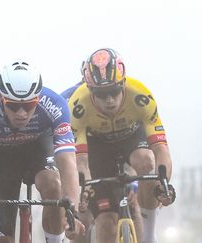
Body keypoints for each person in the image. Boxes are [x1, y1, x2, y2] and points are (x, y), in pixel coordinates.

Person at [0, 60, 84, 243]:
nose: (21, 113)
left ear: (38, 99)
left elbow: (67, 163)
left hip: (37, 150)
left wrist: (74, 214)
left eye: (29, 105)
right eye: (13, 105)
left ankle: (56, 240)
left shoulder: (55, 105)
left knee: (52, 184)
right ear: (1, 98)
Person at [68, 48, 175, 243]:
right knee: (107, 221)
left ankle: (148, 236)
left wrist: (164, 185)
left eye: (114, 91)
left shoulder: (141, 95)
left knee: (146, 161)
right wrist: (82, 187)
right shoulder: (77, 105)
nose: (109, 99)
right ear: (90, 89)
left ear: (123, 83)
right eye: (102, 94)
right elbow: (81, 161)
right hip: (98, 146)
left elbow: (161, 149)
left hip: (132, 137)